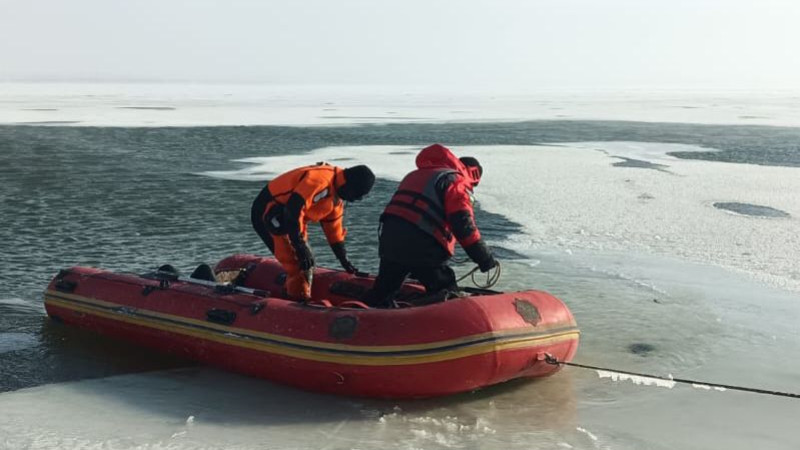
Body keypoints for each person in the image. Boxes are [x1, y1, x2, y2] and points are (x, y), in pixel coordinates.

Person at [362, 144, 497, 308]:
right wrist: (484, 258)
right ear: (474, 176)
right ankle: (447, 329)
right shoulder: (456, 181)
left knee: (384, 290)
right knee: (446, 290)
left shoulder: (416, 175)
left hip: (389, 240)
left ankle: (364, 320)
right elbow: (462, 223)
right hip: (422, 245)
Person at [251, 162, 375, 301]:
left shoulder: (336, 197)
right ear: (349, 184)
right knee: (298, 264)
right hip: (270, 212)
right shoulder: (319, 181)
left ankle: (292, 292)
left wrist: (343, 259)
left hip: (293, 220)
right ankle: (296, 301)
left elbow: (333, 230)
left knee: (307, 261)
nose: (357, 199)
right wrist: (299, 246)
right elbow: (293, 210)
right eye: (358, 194)